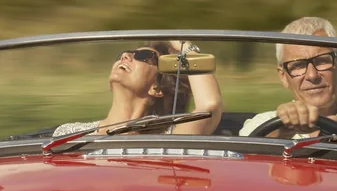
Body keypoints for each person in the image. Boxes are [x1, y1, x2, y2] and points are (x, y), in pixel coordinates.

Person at [238, 17, 337, 138]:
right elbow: (243, 167)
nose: (312, 75)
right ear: (283, 77)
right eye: (298, 66)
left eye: (322, 61)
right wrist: (282, 131)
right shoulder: (260, 125)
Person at [53, 40, 223, 137]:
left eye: (142, 56)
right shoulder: (68, 133)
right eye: (122, 54)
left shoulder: (171, 137)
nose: (125, 56)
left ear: (156, 88)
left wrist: (184, 47)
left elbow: (209, 106)